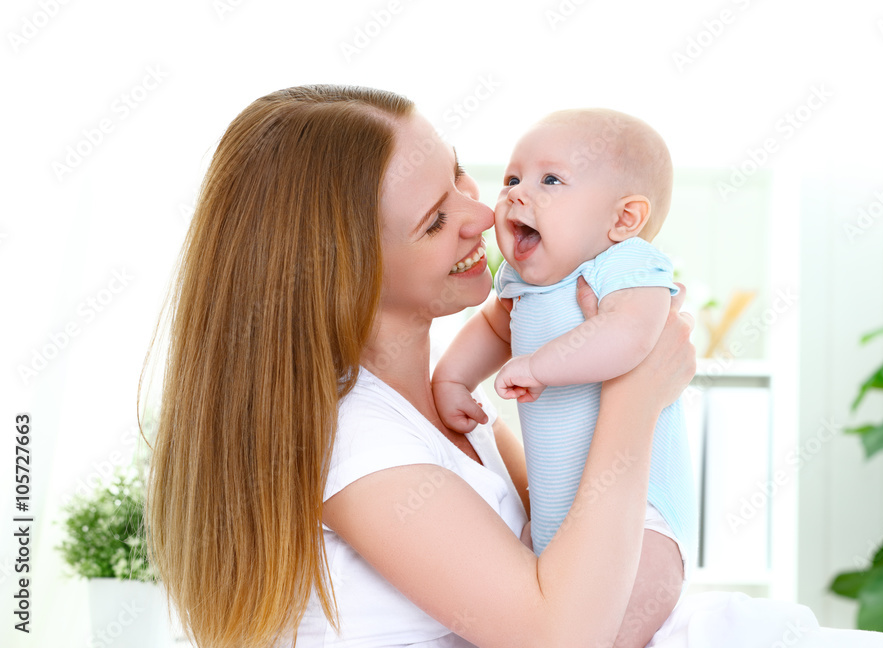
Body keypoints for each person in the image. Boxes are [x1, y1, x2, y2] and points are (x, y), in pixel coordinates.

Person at [143, 85, 697, 648]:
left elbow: (595, 547)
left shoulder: (448, 411)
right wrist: (637, 389)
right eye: (435, 219)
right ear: (345, 274)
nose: (484, 213)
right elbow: (562, 637)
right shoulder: (357, 441)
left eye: (458, 175)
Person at [431, 108, 696, 647]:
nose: (515, 195)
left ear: (623, 220)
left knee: (611, 628)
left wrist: (541, 366)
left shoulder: (624, 264)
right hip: (556, 520)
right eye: (512, 179)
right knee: (548, 613)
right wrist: (453, 380)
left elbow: (633, 335)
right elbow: (492, 325)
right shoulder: (518, 281)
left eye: (550, 180)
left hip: (639, 522)